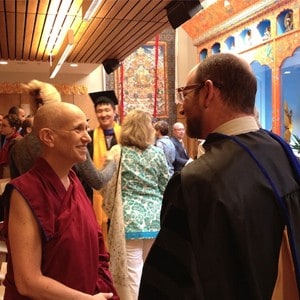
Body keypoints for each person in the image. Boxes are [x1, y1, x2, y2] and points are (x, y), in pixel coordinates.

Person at [139, 53, 300, 300]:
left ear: (208, 92)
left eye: (186, 94)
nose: (182, 107)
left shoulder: (196, 182)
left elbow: (170, 288)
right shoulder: (284, 154)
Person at [2, 102, 119, 299]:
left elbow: (97, 251)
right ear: (48, 137)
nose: (87, 137)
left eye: (86, 128)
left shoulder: (74, 182)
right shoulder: (24, 192)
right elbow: (27, 282)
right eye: (78, 129)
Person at [103, 109, 169, 300]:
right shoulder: (157, 154)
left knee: (132, 275)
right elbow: (165, 185)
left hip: (128, 219)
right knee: (153, 272)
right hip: (155, 219)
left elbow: (106, 184)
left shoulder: (117, 152)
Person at [8, 80, 116, 194]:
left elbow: (16, 187)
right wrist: (113, 161)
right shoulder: (68, 142)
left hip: (30, 207)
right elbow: (97, 181)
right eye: (78, 129)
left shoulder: (16, 146)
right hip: (63, 207)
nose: (86, 138)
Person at [87, 90, 122, 248]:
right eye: (99, 111)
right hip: (96, 192)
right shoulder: (88, 137)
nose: (103, 114)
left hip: (120, 191)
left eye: (107, 110)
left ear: (115, 112)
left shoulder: (125, 135)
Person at [0, 114, 22, 178]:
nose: (1, 128)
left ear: (13, 128)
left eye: (4, 126)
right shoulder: (7, 138)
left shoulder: (17, 142)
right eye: (1, 125)